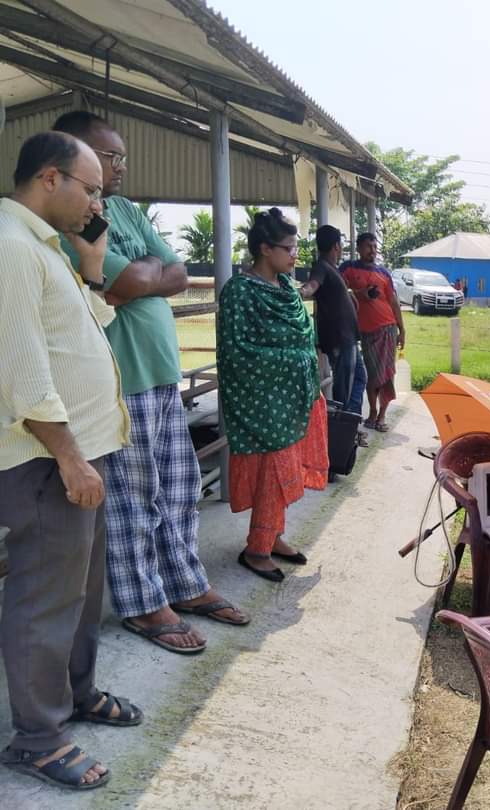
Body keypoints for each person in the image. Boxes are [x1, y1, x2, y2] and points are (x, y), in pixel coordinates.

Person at [53, 112, 247, 655]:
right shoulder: (72, 219)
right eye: (110, 157)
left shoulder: (126, 210)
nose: (120, 167)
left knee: (179, 489)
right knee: (134, 500)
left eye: (120, 157)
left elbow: (174, 272)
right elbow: (135, 276)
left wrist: (142, 279)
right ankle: (141, 603)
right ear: (75, 155)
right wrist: (142, 276)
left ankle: (184, 583)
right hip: (121, 379)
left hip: (160, 374)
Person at [0, 131, 143, 791]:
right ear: (50, 178)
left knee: (81, 594)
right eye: (90, 188)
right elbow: (21, 373)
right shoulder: (10, 246)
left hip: (79, 454)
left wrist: (91, 266)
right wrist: (69, 457)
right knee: (44, 599)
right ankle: (39, 738)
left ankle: (76, 694)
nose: (96, 204)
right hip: (47, 460)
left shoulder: (45, 247)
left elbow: (93, 325)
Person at [218, 208, 329, 583]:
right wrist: (295, 360)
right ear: (265, 249)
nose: (295, 255)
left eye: (296, 247)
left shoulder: (286, 289)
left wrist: (303, 364)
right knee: (273, 471)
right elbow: (236, 352)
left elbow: (302, 335)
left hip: (294, 396)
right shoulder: (239, 291)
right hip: (262, 400)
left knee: (287, 466)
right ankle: (257, 549)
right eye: (289, 248)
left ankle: (273, 535)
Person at [341, 233, 406, 432]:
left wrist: (402, 329)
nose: (373, 250)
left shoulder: (384, 273)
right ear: (359, 248)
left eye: (375, 246)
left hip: (388, 328)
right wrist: (359, 294)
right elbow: (338, 291)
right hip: (366, 333)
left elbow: (393, 302)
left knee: (386, 375)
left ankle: (382, 416)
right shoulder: (348, 268)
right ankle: (372, 412)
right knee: (372, 375)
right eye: (368, 246)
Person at [300, 225, 361, 408]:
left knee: (359, 378)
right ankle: (341, 423)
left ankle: (352, 419)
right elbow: (312, 285)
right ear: (336, 246)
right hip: (339, 337)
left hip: (349, 337)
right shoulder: (321, 267)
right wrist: (301, 292)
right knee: (343, 388)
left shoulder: (332, 268)